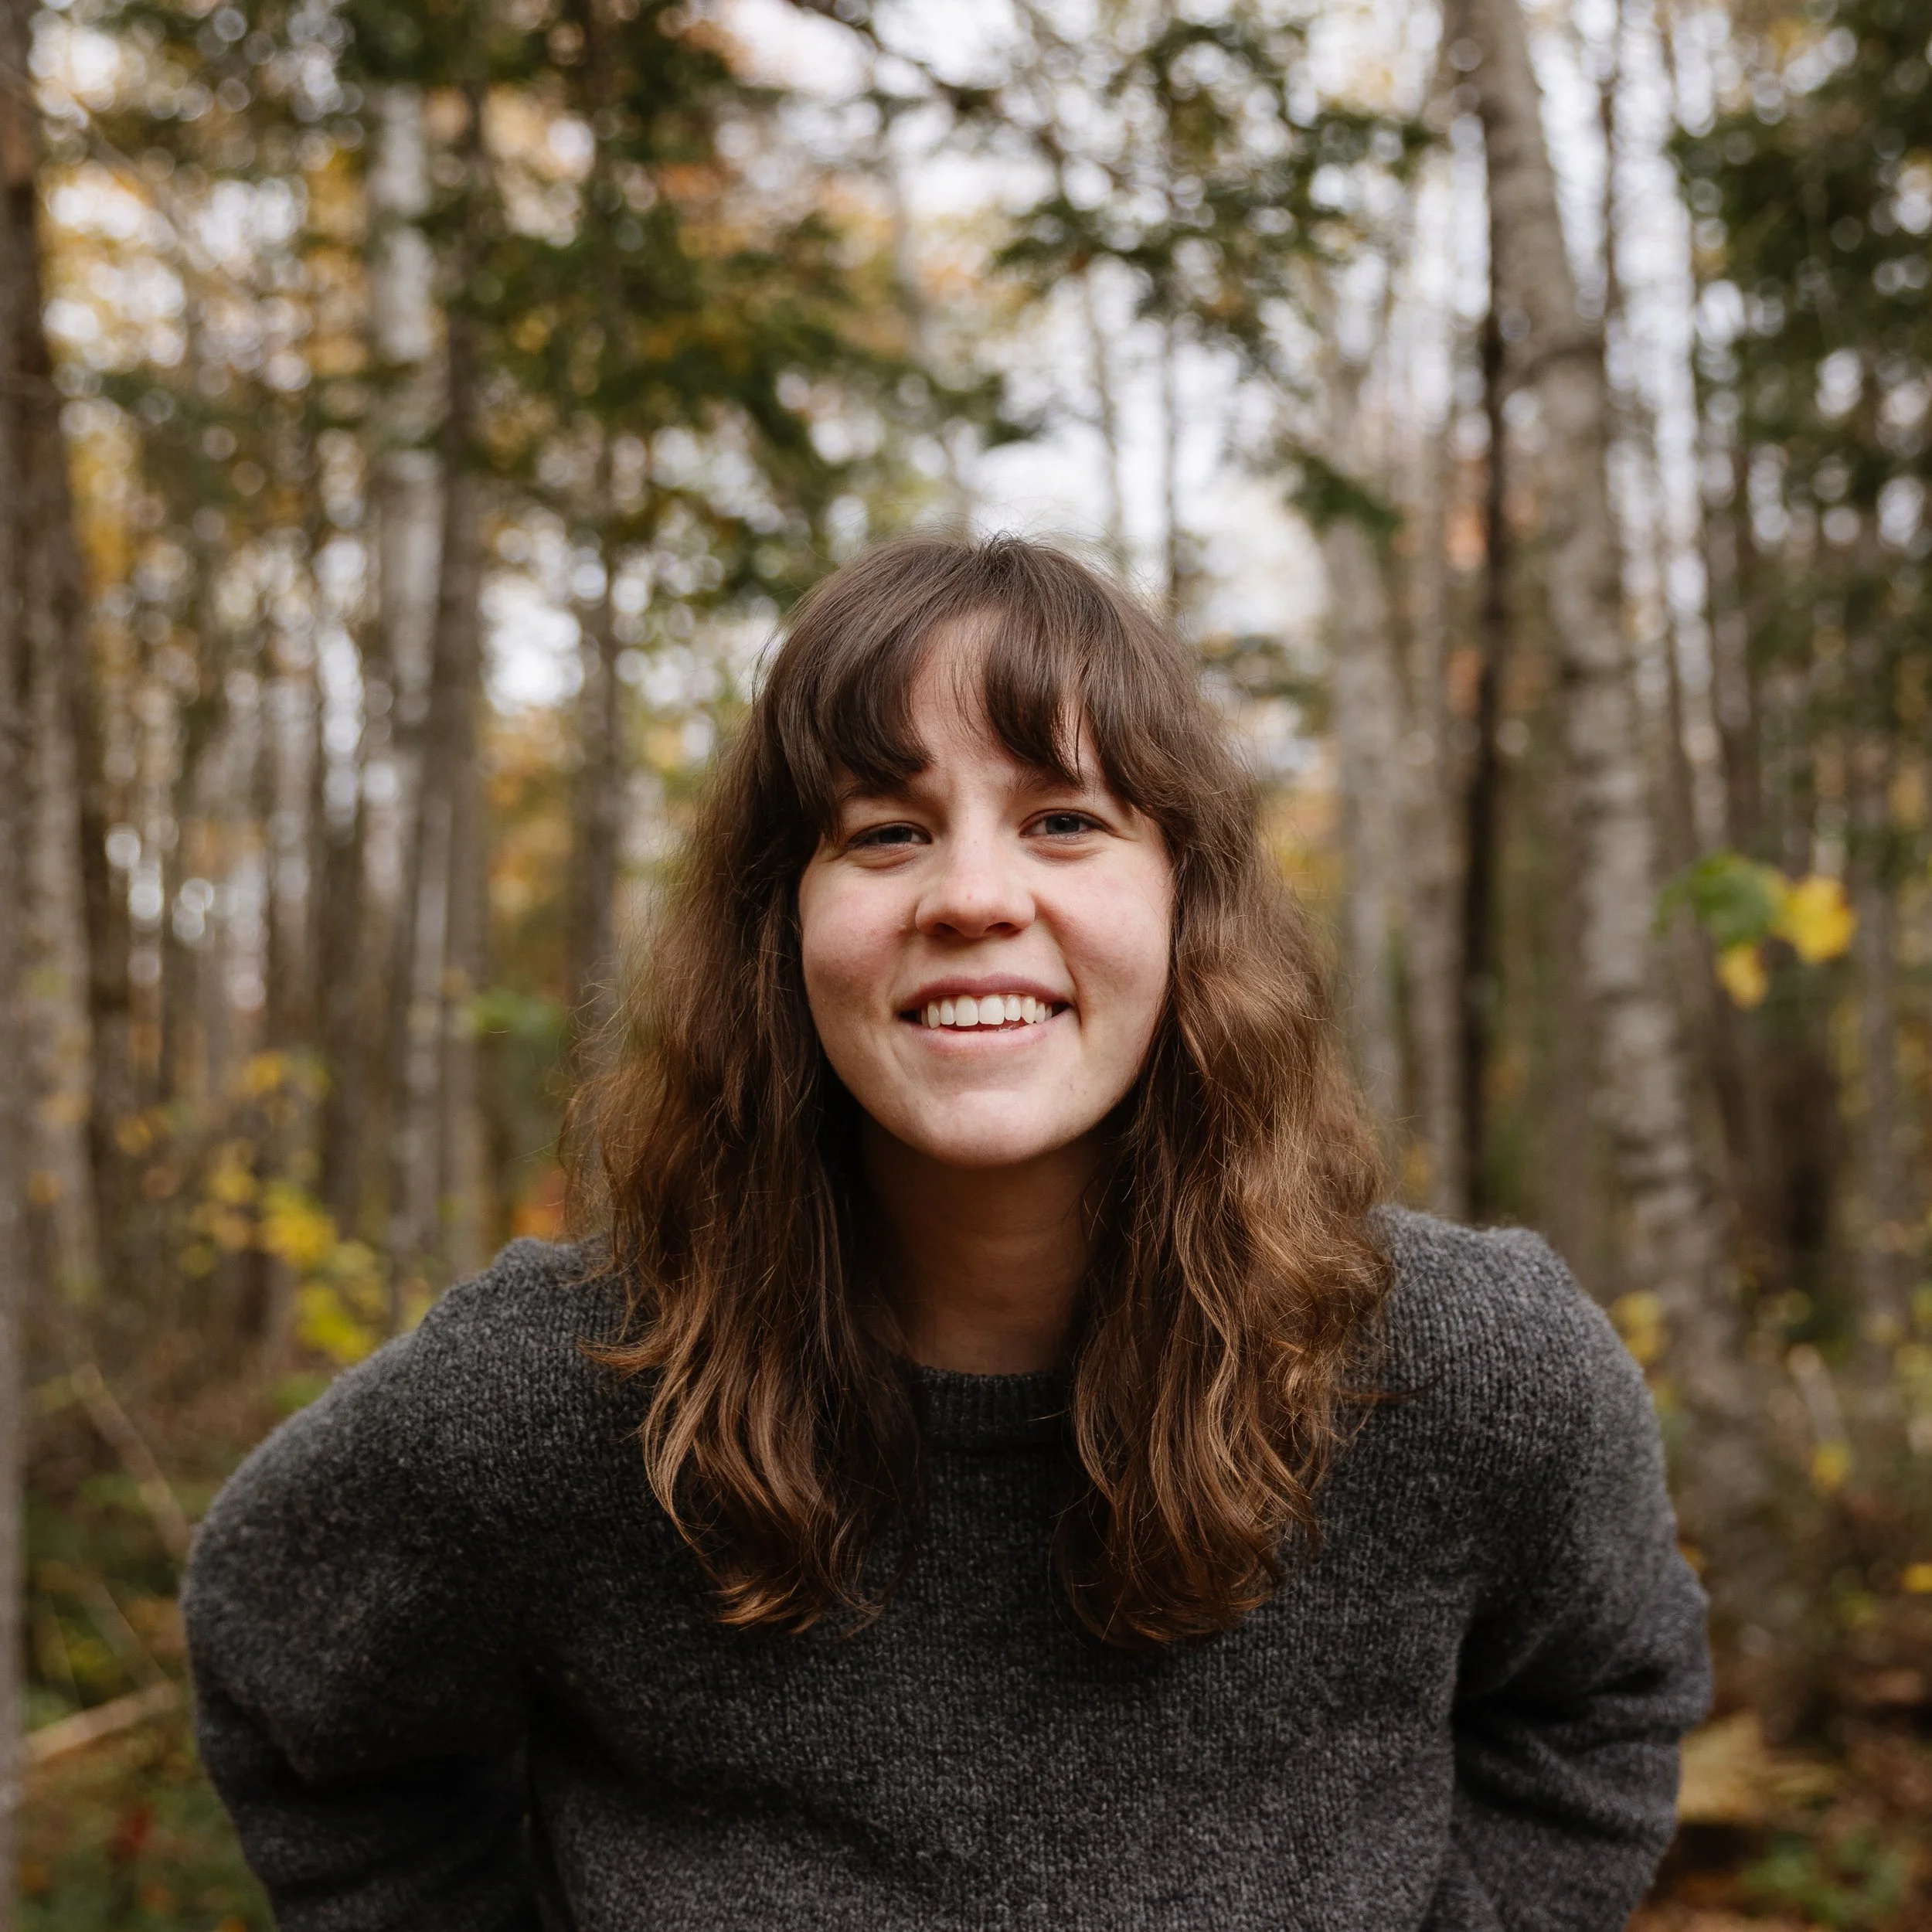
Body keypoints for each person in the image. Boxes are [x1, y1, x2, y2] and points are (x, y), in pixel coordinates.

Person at [185, 534, 1710, 1930]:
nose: (973, 894)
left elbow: (1599, 1697)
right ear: (779, 924)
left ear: (1187, 901)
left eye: (1063, 819)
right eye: (884, 830)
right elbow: (285, 1668)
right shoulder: (558, 1390)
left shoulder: (1469, 1366)